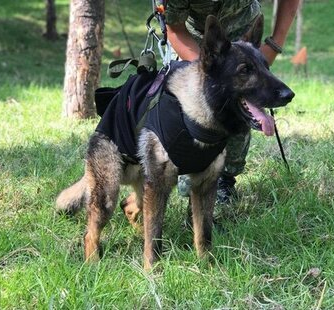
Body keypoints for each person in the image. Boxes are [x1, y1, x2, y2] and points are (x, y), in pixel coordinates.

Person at [121, 0, 299, 217]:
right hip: (198, 42)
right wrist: (210, 71)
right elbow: (175, 27)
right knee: (186, 132)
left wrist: (273, 45)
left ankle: (220, 187)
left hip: (246, 35)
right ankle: (146, 196)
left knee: (233, 125)